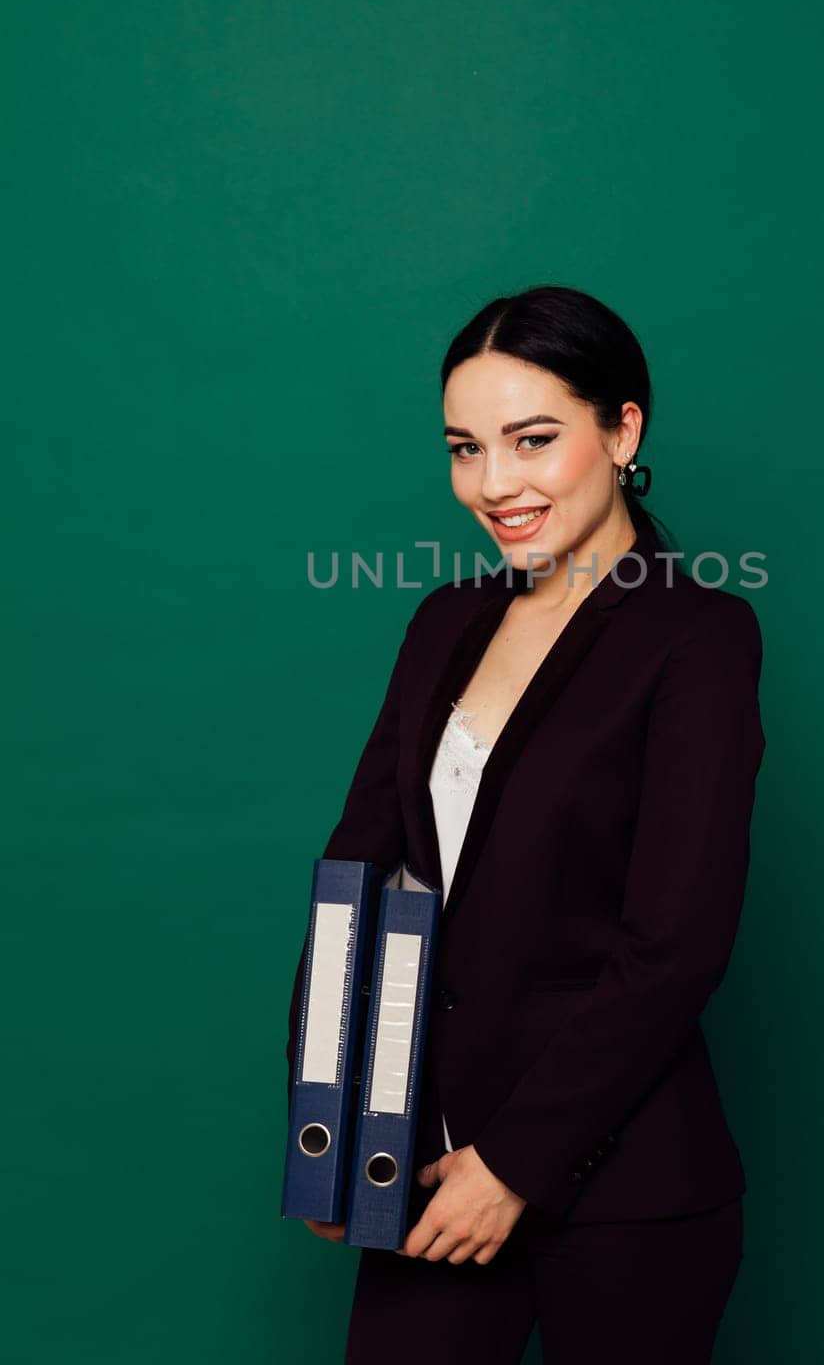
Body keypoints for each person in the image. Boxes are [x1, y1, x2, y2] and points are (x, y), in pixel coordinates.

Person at [286, 284, 766, 1362]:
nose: (492, 484)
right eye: (464, 448)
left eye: (532, 439)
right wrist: (333, 1134)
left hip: (625, 1189)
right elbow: (358, 879)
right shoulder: (442, 619)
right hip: (416, 1167)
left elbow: (672, 946)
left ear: (622, 429)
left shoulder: (695, 637)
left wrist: (511, 1163)